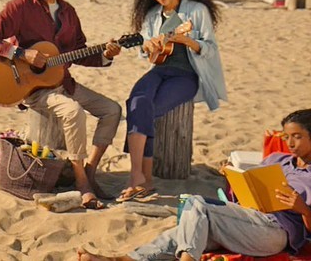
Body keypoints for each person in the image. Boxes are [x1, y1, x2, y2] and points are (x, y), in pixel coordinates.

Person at [0, 0, 123, 208]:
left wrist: (106, 56)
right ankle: (81, 182)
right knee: (73, 111)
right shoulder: (21, 7)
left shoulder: (69, 13)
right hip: (35, 90)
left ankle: (89, 170)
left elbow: (79, 52)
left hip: (64, 83)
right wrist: (21, 54)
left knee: (112, 110)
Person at [79, 108, 311, 261]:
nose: (289, 143)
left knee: (196, 204)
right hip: (246, 219)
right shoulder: (276, 160)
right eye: (286, 137)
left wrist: (302, 209)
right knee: (182, 230)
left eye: (297, 137)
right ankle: (120, 260)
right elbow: (251, 190)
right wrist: (234, 177)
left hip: (274, 233)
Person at [118, 0, 227, 201]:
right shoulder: (152, 15)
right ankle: (139, 176)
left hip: (187, 75)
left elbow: (210, 49)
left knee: (147, 110)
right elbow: (146, 52)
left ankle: (139, 178)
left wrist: (186, 40)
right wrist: (147, 46)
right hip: (159, 70)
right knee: (137, 101)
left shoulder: (196, 11)